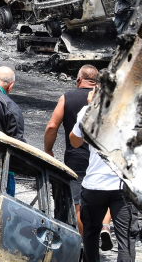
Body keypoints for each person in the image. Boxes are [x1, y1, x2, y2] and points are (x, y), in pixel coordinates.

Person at [70, 91, 136, 262]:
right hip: (123, 185)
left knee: (91, 230)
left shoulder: (88, 112)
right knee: (126, 237)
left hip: (95, 183)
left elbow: (75, 142)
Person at [43, 65, 112, 249]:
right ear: (96, 81)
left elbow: (52, 126)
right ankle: (105, 227)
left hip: (77, 157)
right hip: (104, 158)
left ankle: (83, 244)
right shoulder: (107, 99)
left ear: (79, 79)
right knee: (106, 193)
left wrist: (48, 150)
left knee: (79, 203)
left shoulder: (67, 97)